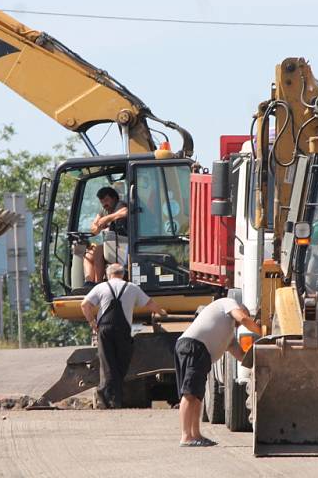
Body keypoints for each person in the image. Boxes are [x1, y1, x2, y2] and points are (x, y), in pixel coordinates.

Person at [174, 298, 261, 447]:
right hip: (193, 347)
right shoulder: (228, 302)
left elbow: (240, 355)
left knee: (197, 396)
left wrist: (258, 364)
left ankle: (196, 435)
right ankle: (186, 436)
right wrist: (260, 330)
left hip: (200, 352)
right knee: (189, 394)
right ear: (241, 308)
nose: (241, 324)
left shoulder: (229, 334)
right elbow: (243, 318)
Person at [80, 263, 166, 408]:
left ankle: (107, 398)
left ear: (108, 275)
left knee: (108, 363)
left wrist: (92, 322)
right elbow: (150, 304)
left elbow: (84, 305)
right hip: (123, 330)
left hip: (105, 329)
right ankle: (113, 399)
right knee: (122, 364)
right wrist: (163, 313)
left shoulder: (101, 287)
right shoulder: (132, 287)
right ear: (123, 274)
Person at [83, 186, 129, 282]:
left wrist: (107, 219)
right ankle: (89, 283)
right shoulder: (104, 211)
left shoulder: (120, 205)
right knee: (88, 255)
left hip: (124, 244)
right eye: (102, 201)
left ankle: (99, 283)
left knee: (99, 250)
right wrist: (99, 226)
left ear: (114, 198)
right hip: (112, 245)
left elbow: (125, 212)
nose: (104, 204)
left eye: (106, 200)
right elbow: (94, 229)